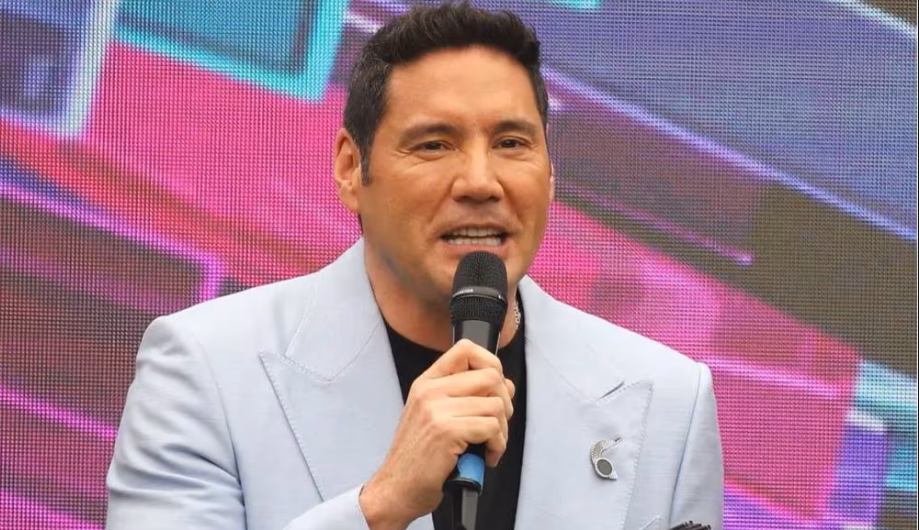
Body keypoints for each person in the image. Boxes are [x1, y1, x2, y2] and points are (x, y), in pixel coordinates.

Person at [105, 2, 724, 529]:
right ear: (352, 168)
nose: (480, 182)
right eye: (434, 144)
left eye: (512, 144)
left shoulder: (669, 399)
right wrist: (381, 506)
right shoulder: (205, 370)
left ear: (550, 172)